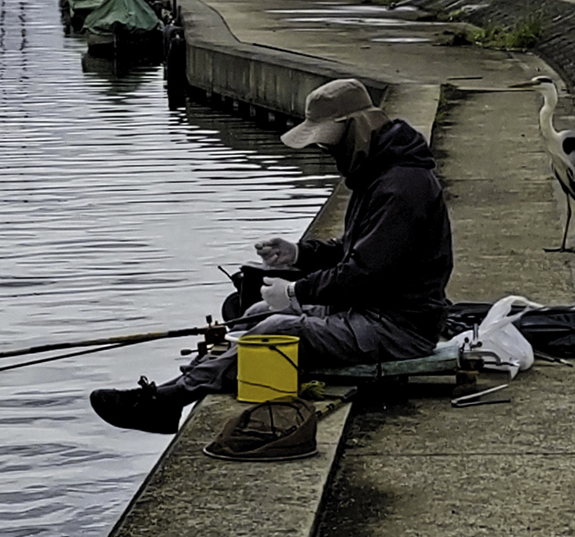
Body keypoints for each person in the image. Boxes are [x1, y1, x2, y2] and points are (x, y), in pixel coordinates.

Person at [90, 78, 453, 434]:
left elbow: (362, 274)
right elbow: (353, 249)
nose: (324, 150)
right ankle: (174, 395)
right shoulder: (379, 173)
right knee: (257, 313)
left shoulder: (400, 188)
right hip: (368, 311)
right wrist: (298, 252)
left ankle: (168, 399)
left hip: (399, 328)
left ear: (353, 129)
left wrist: (296, 293)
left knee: (279, 327)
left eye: (328, 140)